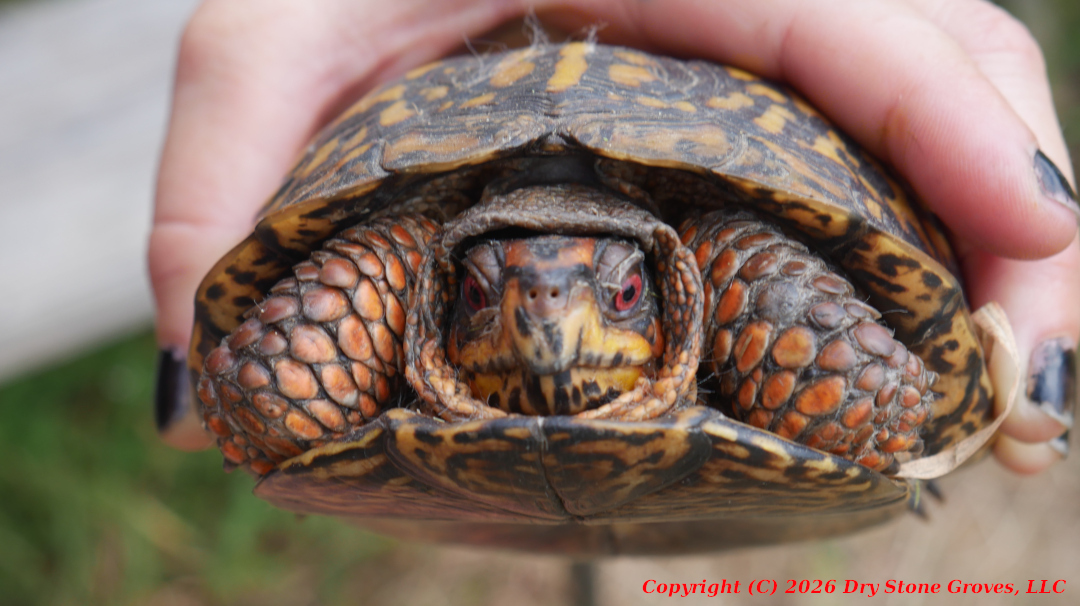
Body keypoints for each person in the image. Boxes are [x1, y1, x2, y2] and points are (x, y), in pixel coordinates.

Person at [150, 0, 1077, 474]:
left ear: (671, 287)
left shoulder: (724, 260)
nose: (546, 317)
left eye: (620, 292)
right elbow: (282, 381)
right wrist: (277, 384)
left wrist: (871, 394)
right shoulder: (399, 256)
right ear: (437, 295)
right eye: (480, 294)